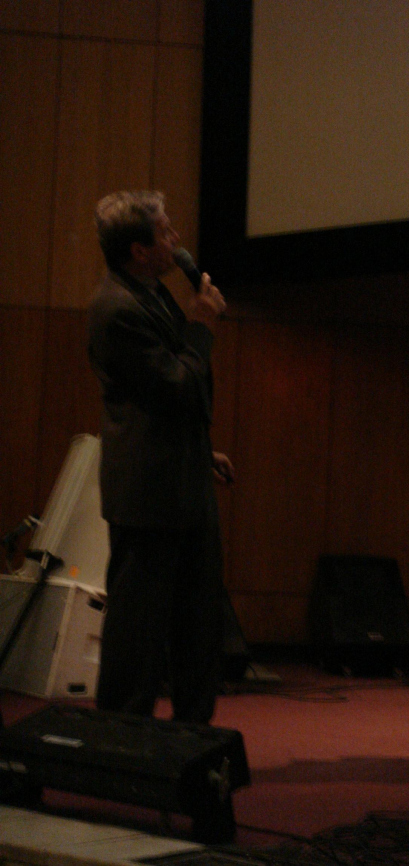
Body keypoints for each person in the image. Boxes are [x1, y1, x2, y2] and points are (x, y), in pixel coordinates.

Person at [88, 190, 233, 723]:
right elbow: (174, 386)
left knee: (198, 623)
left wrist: (202, 452)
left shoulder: (151, 291)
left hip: (181, 482)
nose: (176, 240)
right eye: (166, 233)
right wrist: (203, 327)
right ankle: (121, 736)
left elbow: (165, 402)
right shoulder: (118, 309)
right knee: (138, 631)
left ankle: (193, 737)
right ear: (138, 250)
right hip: (148, 496)